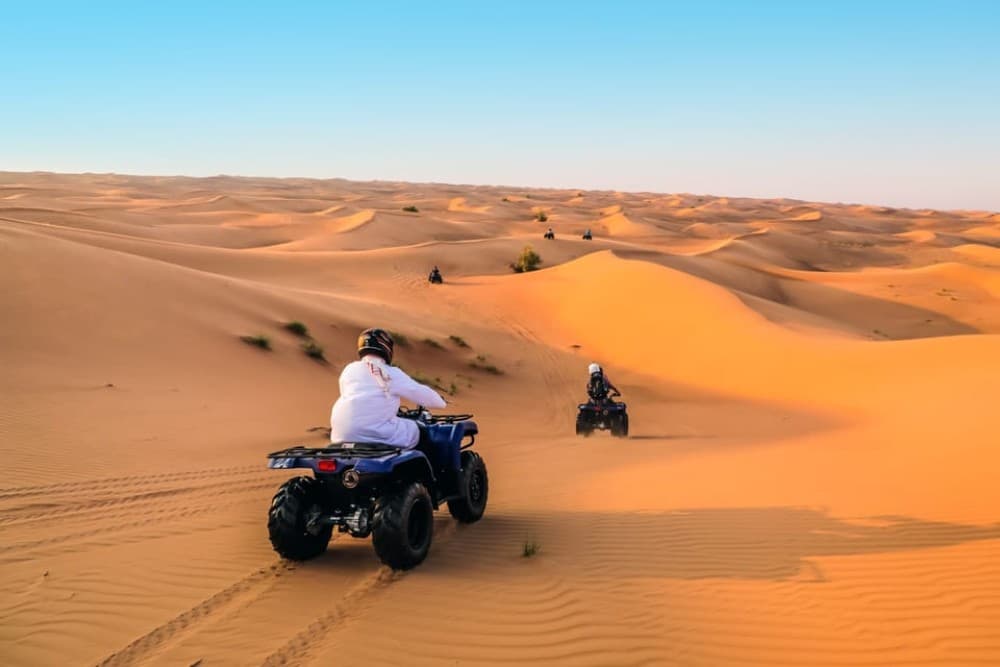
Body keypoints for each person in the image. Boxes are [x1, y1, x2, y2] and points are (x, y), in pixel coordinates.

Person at [330, 328, 446, 448]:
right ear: (386, 346)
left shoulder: (349, 369)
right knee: (420, 430)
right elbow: (419, 392)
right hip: (376, 433)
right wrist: (441, 402)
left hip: (341, 434)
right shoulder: (390, 373)